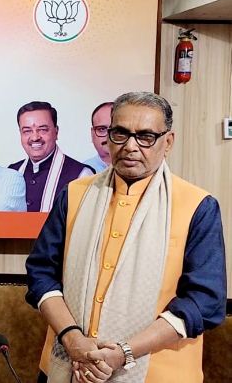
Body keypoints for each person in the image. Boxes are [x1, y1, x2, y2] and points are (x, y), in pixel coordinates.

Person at [25, 92, 226, 383]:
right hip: (69, 364)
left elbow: (203, 301)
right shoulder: (75, 194)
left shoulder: (197, 206)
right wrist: (72, 338)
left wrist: (124, 352)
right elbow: (41, 272)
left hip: (159, 374)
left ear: (168, 142)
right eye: (120, 133)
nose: (130, 146)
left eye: (146, 136)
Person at [9, 101, 93, 212]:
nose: (35, 137)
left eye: (42, 130)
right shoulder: (11, 173)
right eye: (27, 131)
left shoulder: (82, 175)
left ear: (56, 132)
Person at [83, 102, 113, 174]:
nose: (109, 136)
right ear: (92, 134)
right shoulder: (82, 173)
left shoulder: (139, 170)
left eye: (116, 130)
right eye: (102, 129)